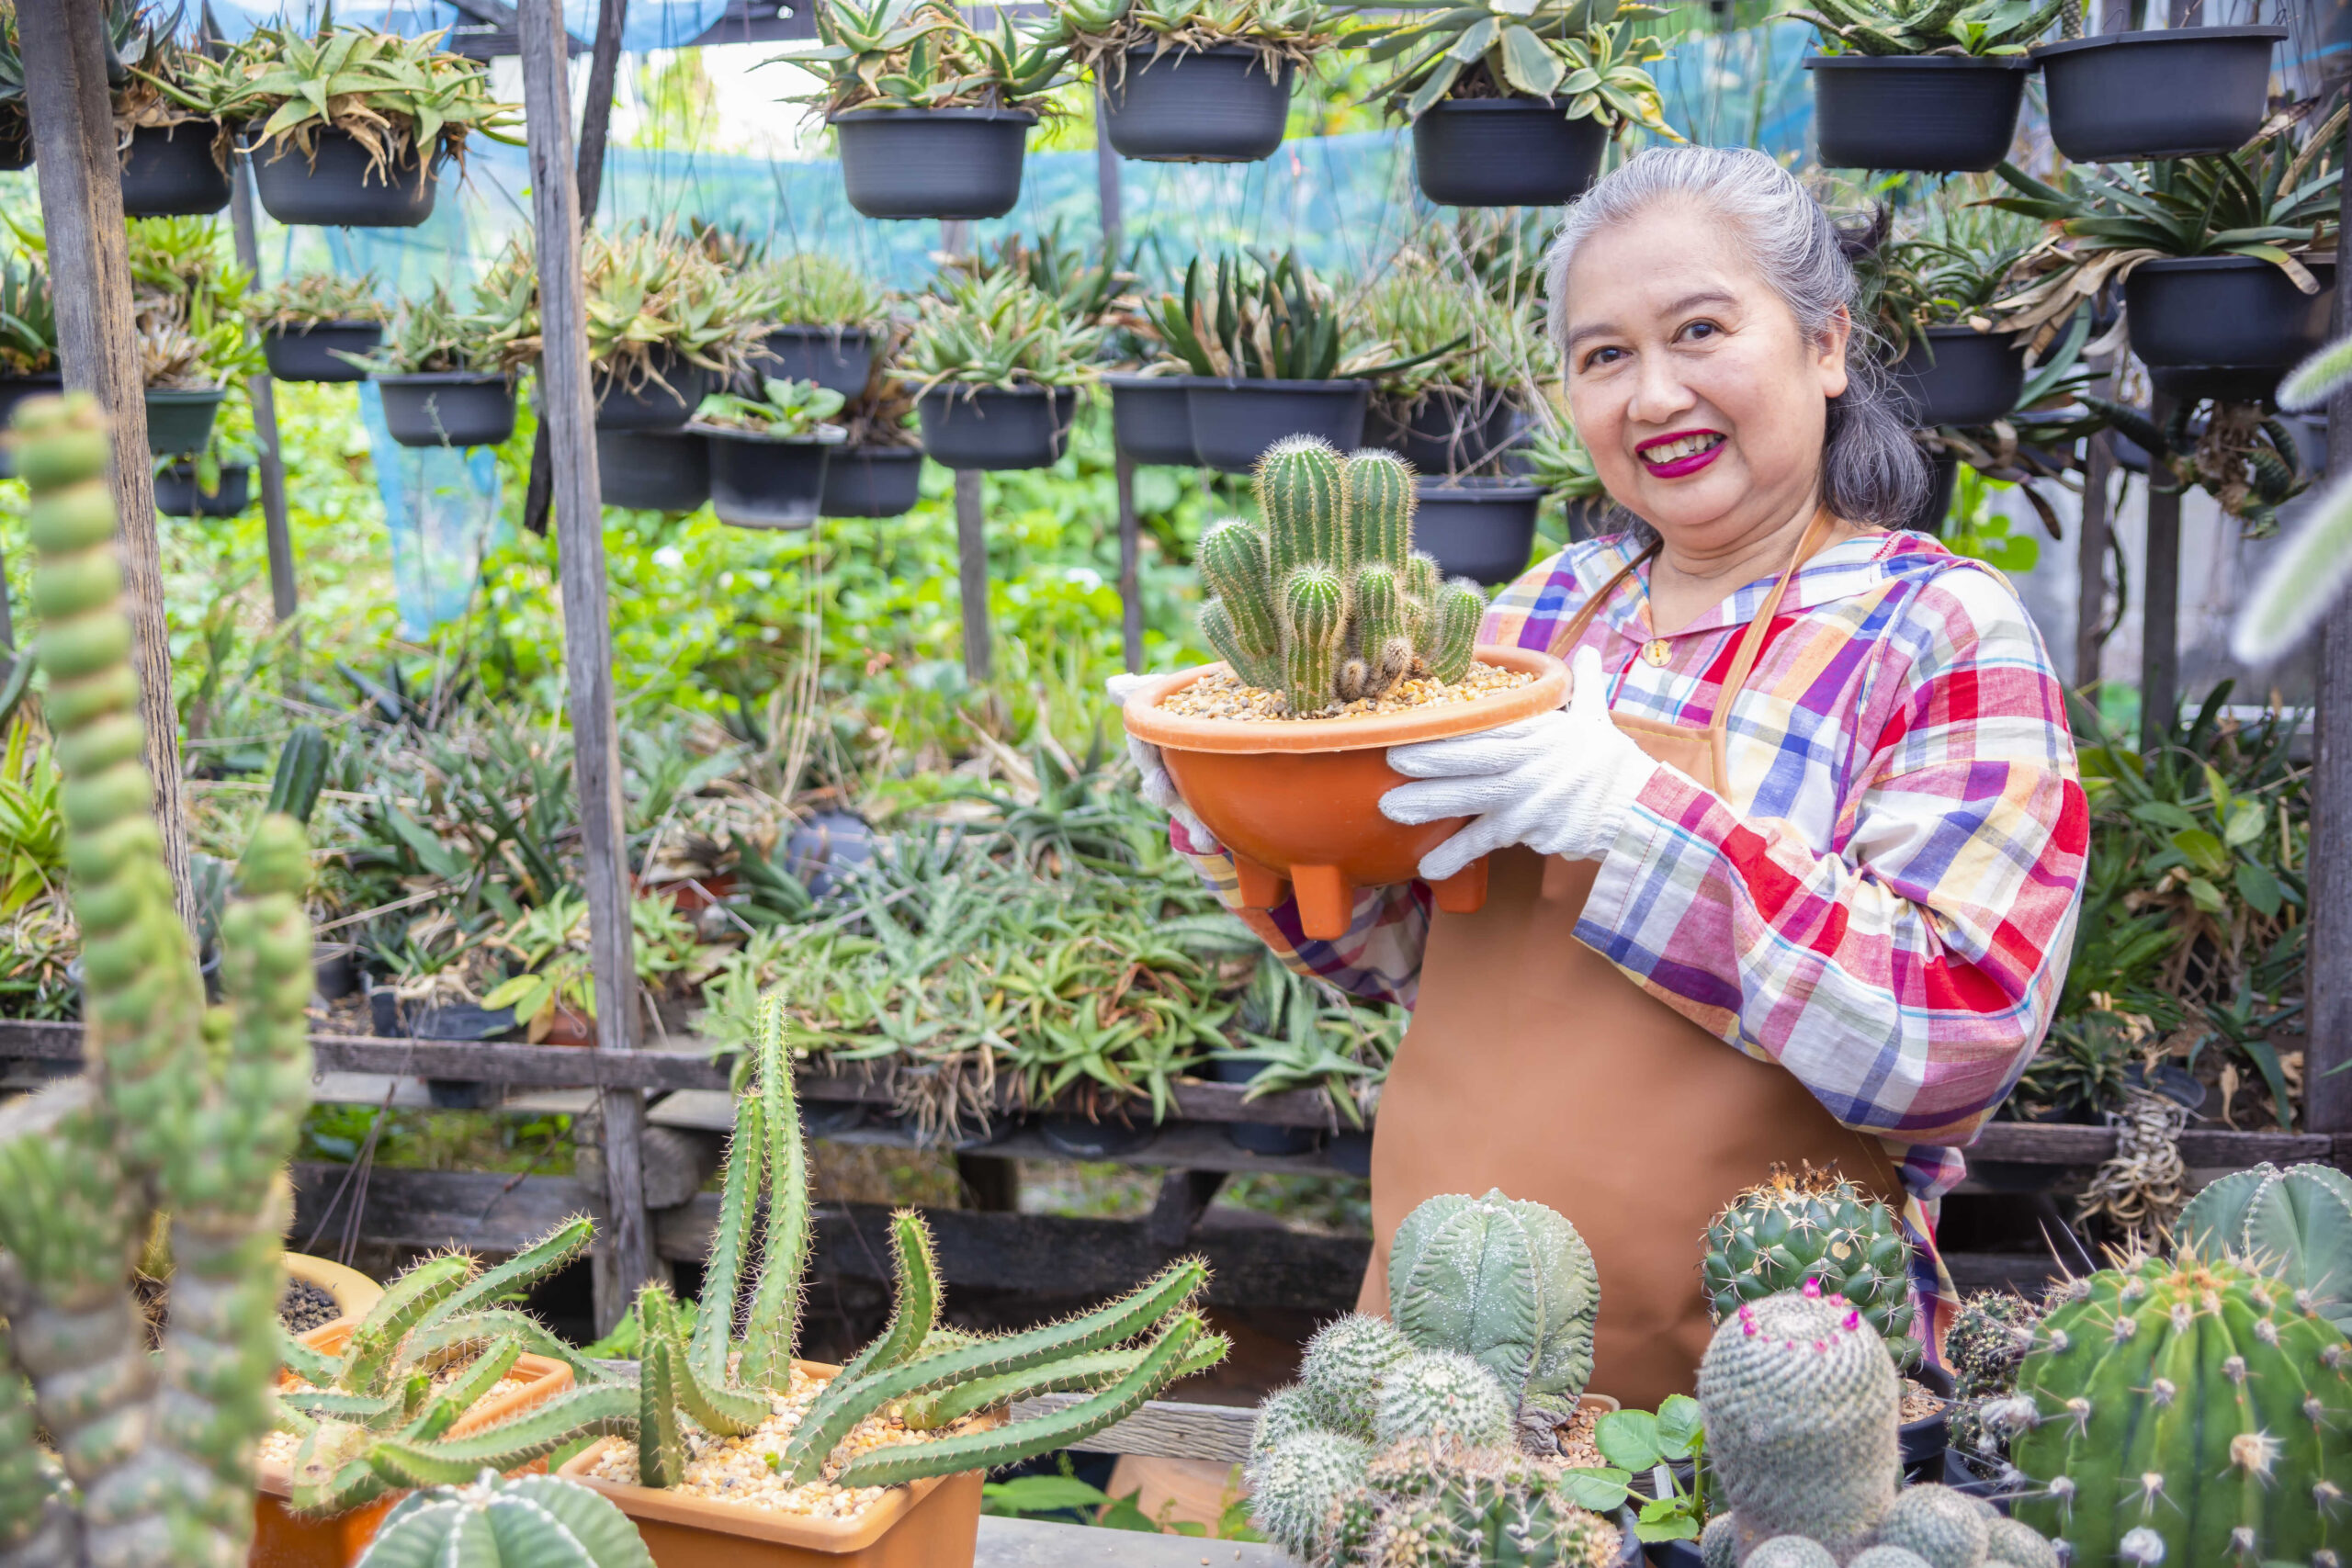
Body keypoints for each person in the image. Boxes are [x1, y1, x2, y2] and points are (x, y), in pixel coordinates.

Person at [1119, 145, 2087, 1407]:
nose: (1654, 395)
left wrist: (1637, 821)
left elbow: (1959, 1028)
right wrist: (1245, 808)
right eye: (1604, 356)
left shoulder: (1937, 628)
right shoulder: (1548, 612)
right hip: (1439, 1369)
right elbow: (1405, 959)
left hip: (1754, 1406)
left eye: (1700, 330)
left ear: (1827, 345)